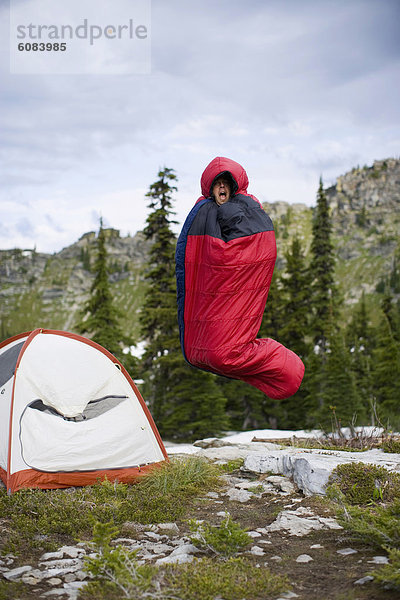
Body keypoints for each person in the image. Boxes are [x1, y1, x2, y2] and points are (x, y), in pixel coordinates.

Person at [175, 156, 304, 400]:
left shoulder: (248, 209)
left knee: (220, 354)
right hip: (214, 294)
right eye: (217, 183)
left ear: (235, 186)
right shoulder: (204, 211)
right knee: (198, 353)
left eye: (226, 182)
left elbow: (258, 250)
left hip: (234, 291)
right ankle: (285, 367)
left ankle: (287, 366)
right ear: (209, 187)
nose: (221, 187)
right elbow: (195, 257)